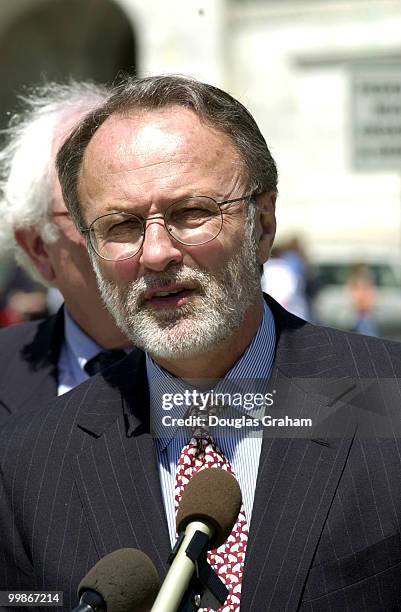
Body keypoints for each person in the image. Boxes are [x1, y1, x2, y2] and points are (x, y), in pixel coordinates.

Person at [1, 75, 401, 611]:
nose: (156, 253)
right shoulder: (30, 462)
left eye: (192, 213)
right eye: (121, 225)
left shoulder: (384, 401)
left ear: (262, 223)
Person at [0, 82, 129, 424]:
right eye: (95, 211)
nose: (152, 240)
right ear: (39, 247)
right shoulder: (5, 370)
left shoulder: (255, 367)